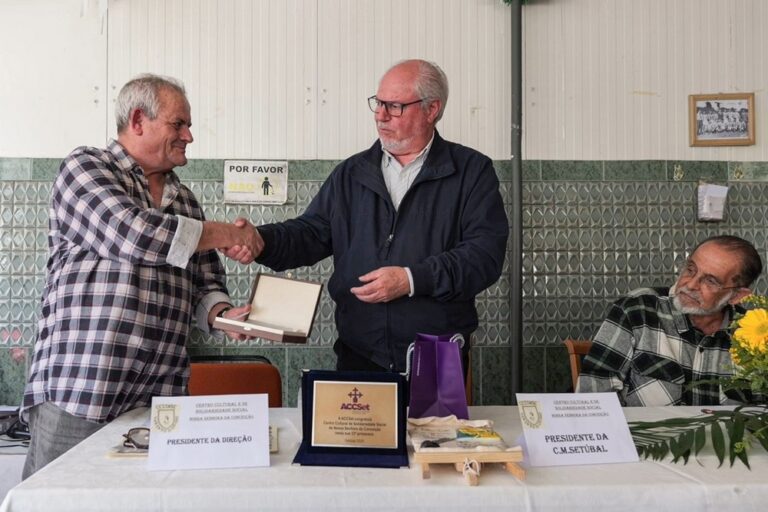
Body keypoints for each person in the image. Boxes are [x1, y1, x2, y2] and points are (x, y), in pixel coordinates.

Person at [21, 74, 262, 478]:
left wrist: (223, 314)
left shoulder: (184, 198)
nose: (189, 136)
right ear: (138, 120)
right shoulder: (87, 167)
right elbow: (133, 235)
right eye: (178, 124)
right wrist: (228, 234)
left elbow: (205, 282)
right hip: (83, 389)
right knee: (55, 502)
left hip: (158, 399)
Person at [230, 59, 508, 373]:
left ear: (432, 109)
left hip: (436, 356)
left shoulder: (471, 172)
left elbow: (483, 257)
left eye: (395, 106)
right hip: (359, 354)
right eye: (378, 103)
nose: (380, 115)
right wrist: (260, 240)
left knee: (433, 426)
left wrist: (411, 279)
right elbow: (310, 233)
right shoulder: (351, 173)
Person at [577, 235, 763, 406]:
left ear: (736, 296)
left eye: (710, 281)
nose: (690, 284)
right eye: (690, 269)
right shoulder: (638, 309)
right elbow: (593, 396)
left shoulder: (755, 337)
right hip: (644, 442)